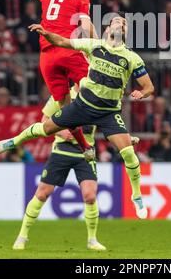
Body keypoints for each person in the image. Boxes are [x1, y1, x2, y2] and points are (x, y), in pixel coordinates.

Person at [0, 15, 155, 220]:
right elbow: (62, 41)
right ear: (107, 29)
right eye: (117, 21)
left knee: (129, 153)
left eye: (124, 24)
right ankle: (13, 141)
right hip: (83, 106)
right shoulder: (94, 45)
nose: (121, 24)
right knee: (47, 128)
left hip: (109, 112)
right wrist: (46, 33)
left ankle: (137, 195)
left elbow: (149, 87)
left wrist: (143, 93)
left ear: (126, 33)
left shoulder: (132, 58)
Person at [12, 87, 106, 252]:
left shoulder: (96, 95)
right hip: (62, 150)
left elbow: (107, 121)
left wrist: (125, 138)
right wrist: (61, 132)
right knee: (42, 193)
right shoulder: (62, 94)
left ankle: (92, 240)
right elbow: (44, 119)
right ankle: (22, 236)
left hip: (86, 152)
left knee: (90, 196)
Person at [27, 0, 98, 160]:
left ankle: (85, 147)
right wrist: (99, 44)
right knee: (97, 88)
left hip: (47, 58)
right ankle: (118, 135)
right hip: (69, 50)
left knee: (66, 109)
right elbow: (85, 25)